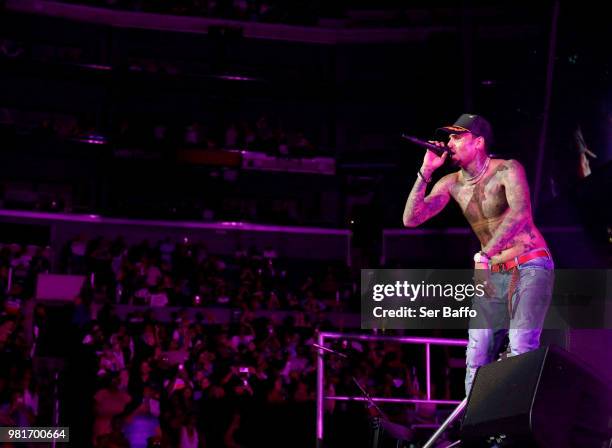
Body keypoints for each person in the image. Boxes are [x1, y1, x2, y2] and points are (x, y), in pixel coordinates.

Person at [402, 113, 554, 395]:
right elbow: (411, 219)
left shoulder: (508, 169)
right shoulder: (451, 183)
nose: (449, 142)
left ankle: (514, 427)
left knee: (521, 345)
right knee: (476, 355)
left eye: (458, 136)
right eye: (449, 136)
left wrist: (485, 254)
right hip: (492, 274)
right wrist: (426, 170)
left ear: (479, 142)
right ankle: (475, 427)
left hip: (530, 264)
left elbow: (521, 214)